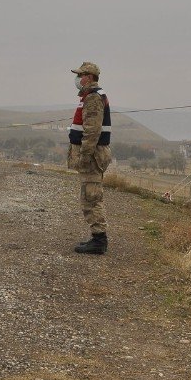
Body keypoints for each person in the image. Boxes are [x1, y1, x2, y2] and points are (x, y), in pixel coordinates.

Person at [68, 62, 112, 254]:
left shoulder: (93, 98)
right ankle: (97, 238)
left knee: (92, 197)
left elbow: (92, 130)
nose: (78, 79)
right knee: (89, 195)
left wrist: (85, 155)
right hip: (92, 154)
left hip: (92, 156)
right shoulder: (90, 96)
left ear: (89, 77)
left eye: (81, 75)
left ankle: (99, 240)